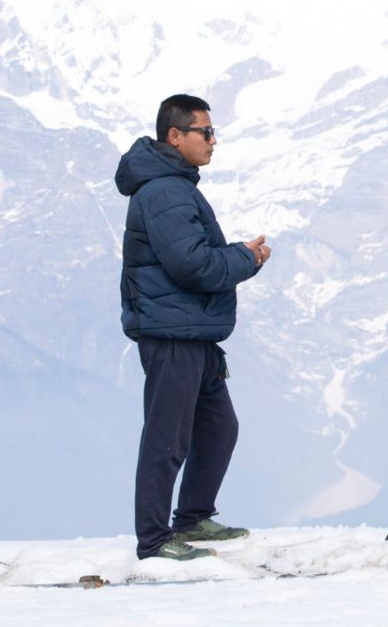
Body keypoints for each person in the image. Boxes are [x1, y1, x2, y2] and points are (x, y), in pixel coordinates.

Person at [115, 94, 272, 561]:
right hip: (171, 334)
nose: (213, 140)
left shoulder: (176, 185)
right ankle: (154, 539)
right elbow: (193, 266)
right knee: (168, 436)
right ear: (175, 135)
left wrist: (241, 257)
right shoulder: (163, 191)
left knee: (219, 427)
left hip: (193, 332)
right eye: (205, 132)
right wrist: (247, 256)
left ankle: (192, 517)